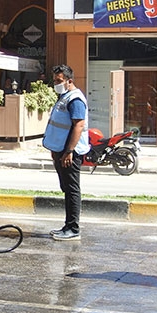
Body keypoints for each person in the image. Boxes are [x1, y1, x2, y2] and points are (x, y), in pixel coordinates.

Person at [42, 64, 90, 241]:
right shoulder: (65, 96)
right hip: (60, 151)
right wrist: (55, 150)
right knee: (66, 188)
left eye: (59, 81)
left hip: (70, 153)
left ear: (70, 81)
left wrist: (69, 151)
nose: (56, 83)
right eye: (54, 80)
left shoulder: (75, 99)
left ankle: (73, 228)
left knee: (71, 190)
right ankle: (67, 225)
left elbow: (78, 125)